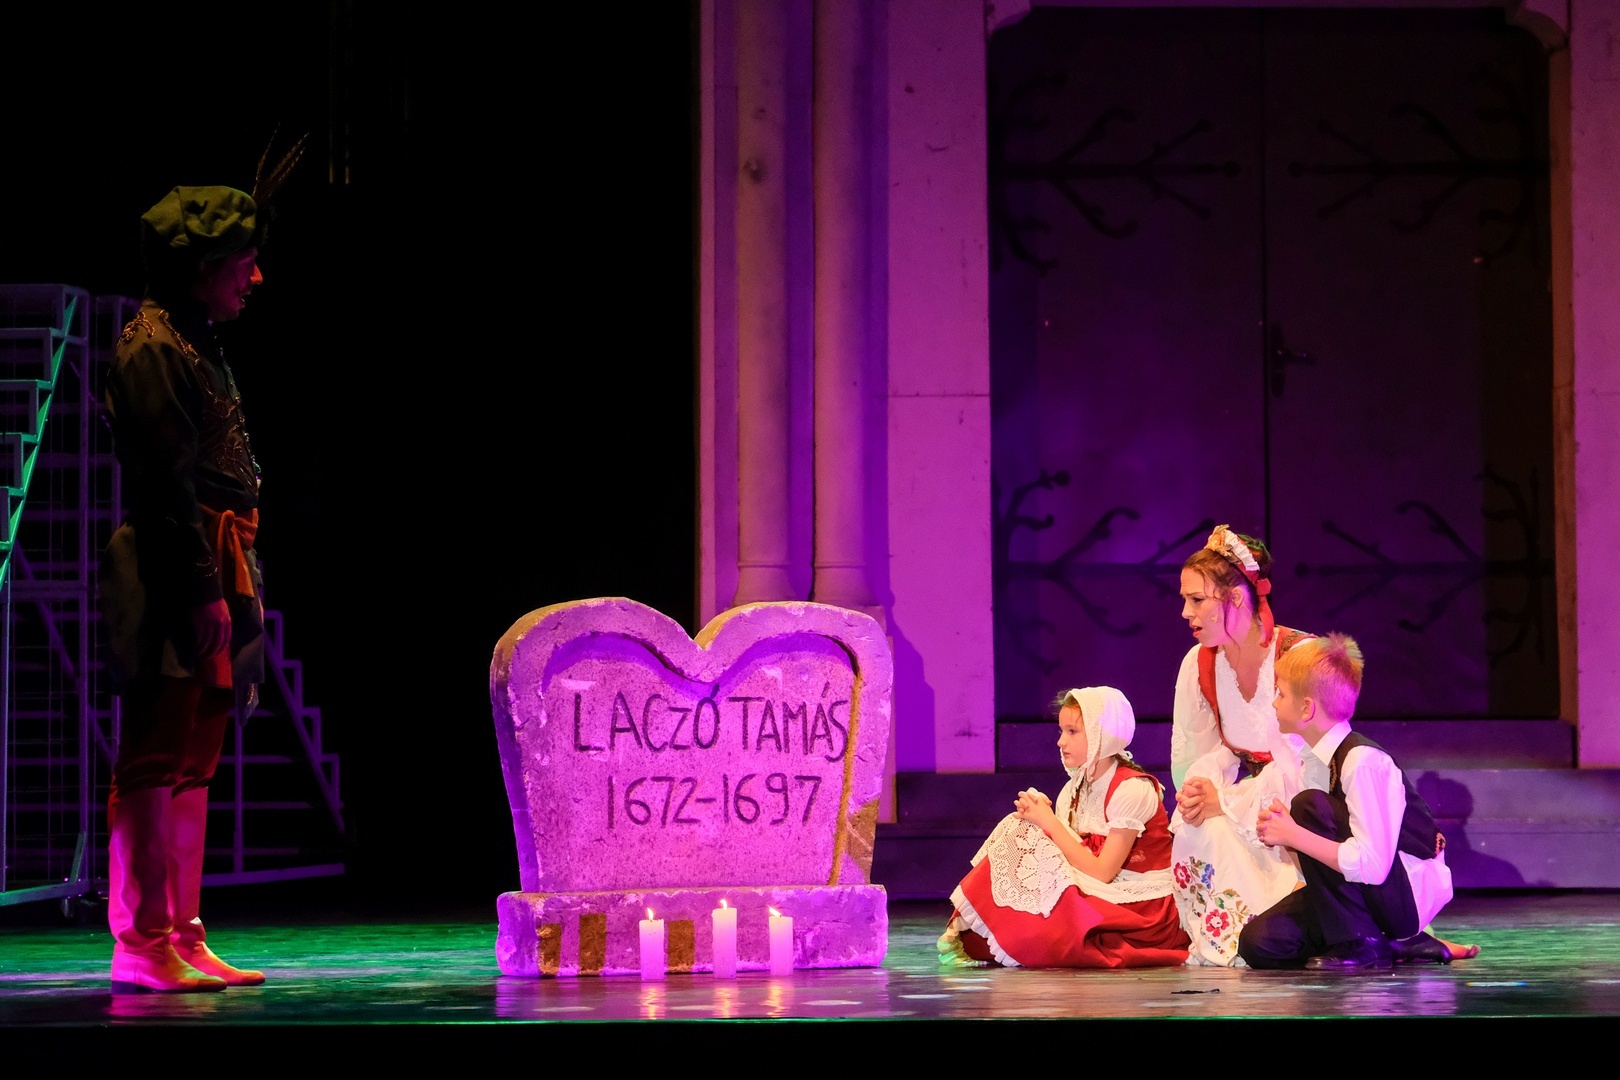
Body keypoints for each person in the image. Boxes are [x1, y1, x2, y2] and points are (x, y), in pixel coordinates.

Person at [99, 144, 302, 993]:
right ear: (205, 266)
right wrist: (198, 587)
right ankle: (142, 940)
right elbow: (163, 484)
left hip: (223, 557)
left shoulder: (198, 341)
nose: (255, 278)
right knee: (156, 750)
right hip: (176, 563)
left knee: (196, 756)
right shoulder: (153, 349)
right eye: (245, 262)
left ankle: (181, 929)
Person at [1236, 633, 1460, 970]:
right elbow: (1321, 869)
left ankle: (1363, 943)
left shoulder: (1362, 761)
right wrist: (1290, 842)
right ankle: (1386, 943)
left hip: (1401, 897)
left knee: (1309, 806)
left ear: (1307, 708)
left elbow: (1374, 866)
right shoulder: (1314, 764)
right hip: (1361, 895)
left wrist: (1296, 834)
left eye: (1280, 694)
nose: (1274, 704)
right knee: (1259, 943)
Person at [937, 686, 1190, 968]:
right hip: (1095, 890)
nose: (1060, 741)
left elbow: (1103, 872)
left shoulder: (1132, 789)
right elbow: (1069, 858)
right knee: (1018, 829)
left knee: (1025, 937)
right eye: (1062, 731)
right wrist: (1040, 823)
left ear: (1102, 735)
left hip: (1142, 906)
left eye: (1072, 732)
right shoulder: (1072, 791)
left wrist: (1049, 823)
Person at [1167, 525, 1318, 965]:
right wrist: (1201, 789)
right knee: (1199, 827)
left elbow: (1313, 765)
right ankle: (1234, 935)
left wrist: (1231, 804)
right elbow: (1204, 750)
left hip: (1309, 804)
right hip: (1253, 799)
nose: (1186, 612)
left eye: (1197, 600)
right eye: (1185, 600)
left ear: (1234, 598)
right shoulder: (1200, 662)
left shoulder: (1299, 655)